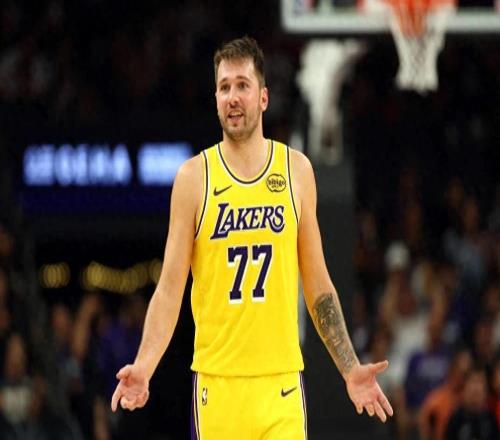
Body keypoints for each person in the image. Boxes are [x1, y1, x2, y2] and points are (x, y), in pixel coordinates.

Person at [110, 36, 393, 439]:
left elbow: (318, 284)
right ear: (216, 99)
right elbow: (170, 289)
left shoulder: (296, 171)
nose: (232, 97)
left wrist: (350, 368)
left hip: (280, 385)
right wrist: (144, 366)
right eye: (224, 87)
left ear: (263, 97)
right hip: (218, 386)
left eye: (242, 85)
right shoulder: (193, 179)